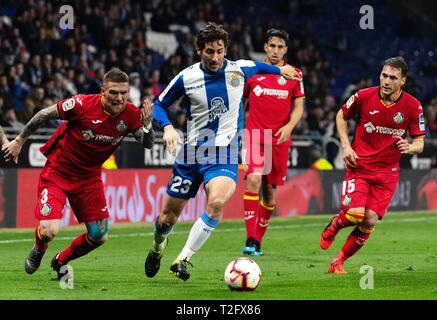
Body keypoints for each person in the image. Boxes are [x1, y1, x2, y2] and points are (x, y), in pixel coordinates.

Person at [144, 22, 300, 281]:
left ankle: (183, 259)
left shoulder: (240, 69)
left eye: (219, 51)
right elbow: (159, 105)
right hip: (191, 154)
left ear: (226, 49)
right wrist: (168, 128)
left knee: (216, 203)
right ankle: (157, 247)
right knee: (166, 220)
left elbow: (262, 67)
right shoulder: (187, 77)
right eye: (209, 52)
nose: (215, 57)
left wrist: (281, 69)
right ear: (198, 50)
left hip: (224, 154)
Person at [2, 68, 155, 280]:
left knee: (100, 235)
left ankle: (61, 260)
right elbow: (44, 114)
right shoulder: (81, 104)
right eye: (113, 92)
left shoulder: (130, 114)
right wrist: (19, 141)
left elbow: (147, 143)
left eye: (123, 93)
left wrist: (147, 126)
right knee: (49, 231)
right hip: (58, 172)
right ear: (103, 91)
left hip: (89, 179)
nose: (119, 98)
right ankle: (39, 247)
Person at [320, 57, 425, 274]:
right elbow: (341, 116)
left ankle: (338, 261)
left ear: (402, 81)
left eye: (393, 77)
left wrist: (411, 147)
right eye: (384, 75)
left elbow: (420, 143)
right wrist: (346, 146)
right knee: (354, 215)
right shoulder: (363, 95)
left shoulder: (413, 106)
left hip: (388, 173)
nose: (386, 81)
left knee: (369, 220)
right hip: (360, 166)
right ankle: (335, 225)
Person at [241, 29, 305, 256]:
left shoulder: (294, 74)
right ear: (265, 47)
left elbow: (299, 107)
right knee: (253, 181)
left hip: (278, 140)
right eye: (272, 46)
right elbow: (241, 102)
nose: (276, 51)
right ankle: (250, 237)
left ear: (285, 50)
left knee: (269, 194)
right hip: (255, 136)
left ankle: (258, 240)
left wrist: (289, 127)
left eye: (280, 47)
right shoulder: (253, 72)